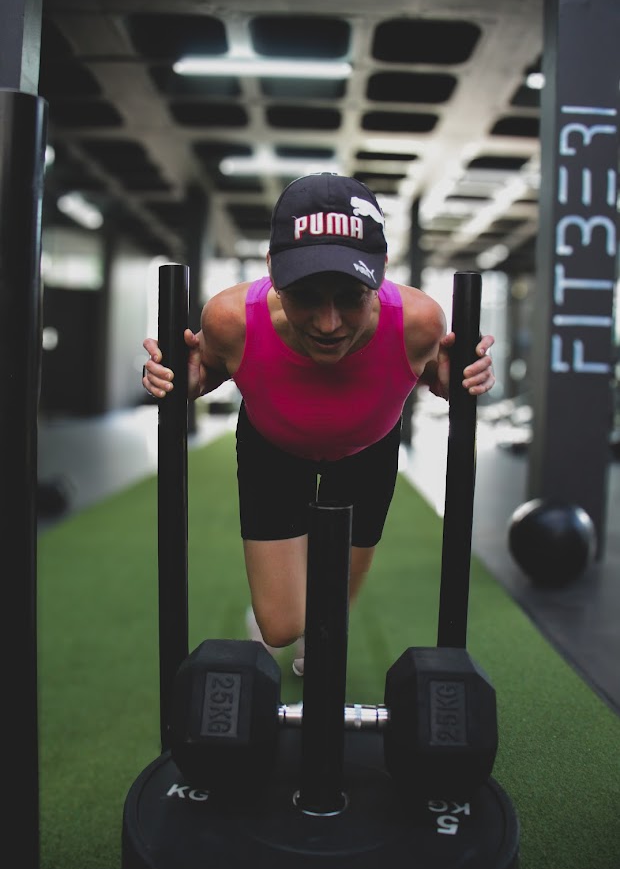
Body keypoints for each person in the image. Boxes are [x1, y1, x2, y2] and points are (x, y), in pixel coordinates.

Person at [142, 173, 495, 676]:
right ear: (273, 271)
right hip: (272, 445)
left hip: (367, 451)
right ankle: (286, 611)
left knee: (329, 617)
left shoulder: (419, 323)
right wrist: (181, 379)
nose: (328, 324)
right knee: (281, 627)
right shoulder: (230, 319)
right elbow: (206, 369)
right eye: (306, 294)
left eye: (351, 295)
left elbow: (436, 375)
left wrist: (458, 378)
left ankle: (319, 621)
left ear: (380, 273)